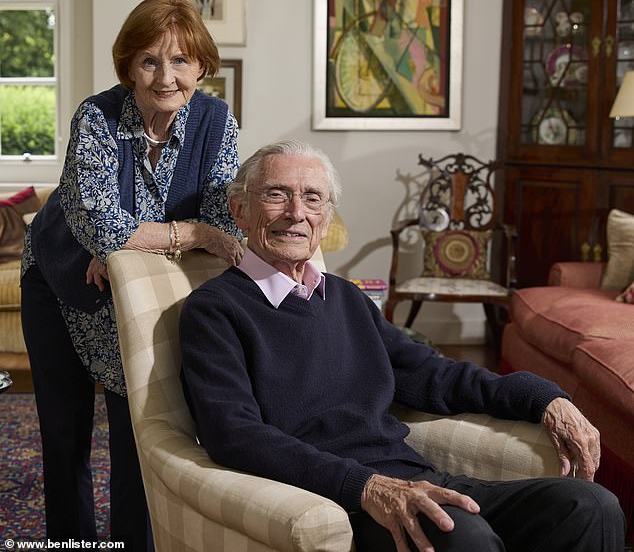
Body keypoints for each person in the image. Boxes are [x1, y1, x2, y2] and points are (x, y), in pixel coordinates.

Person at [179, 140, 625, 551]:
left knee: (589, 506)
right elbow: (233, 434)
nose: (297, 212)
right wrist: (366, 486)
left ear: (326, 218)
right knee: (463, 537)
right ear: (240, 210)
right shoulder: (215, 309)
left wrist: (545, 398)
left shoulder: (346, 297)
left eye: (312, 198)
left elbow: (434, 374)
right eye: (276, 194)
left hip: (417, 479)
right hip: (341, 500)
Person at [21, 0, 243, 550]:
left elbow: (221, 226)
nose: (165, 77)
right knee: (65, 434)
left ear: (201, 66)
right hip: (59, 280)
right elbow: (98, 222)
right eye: (148, 60)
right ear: (127, 67)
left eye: (181, 61)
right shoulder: (95, 116)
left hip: (135, 291)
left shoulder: (216, 121)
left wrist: (135, 242)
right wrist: (169, 234)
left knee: (140, 432)